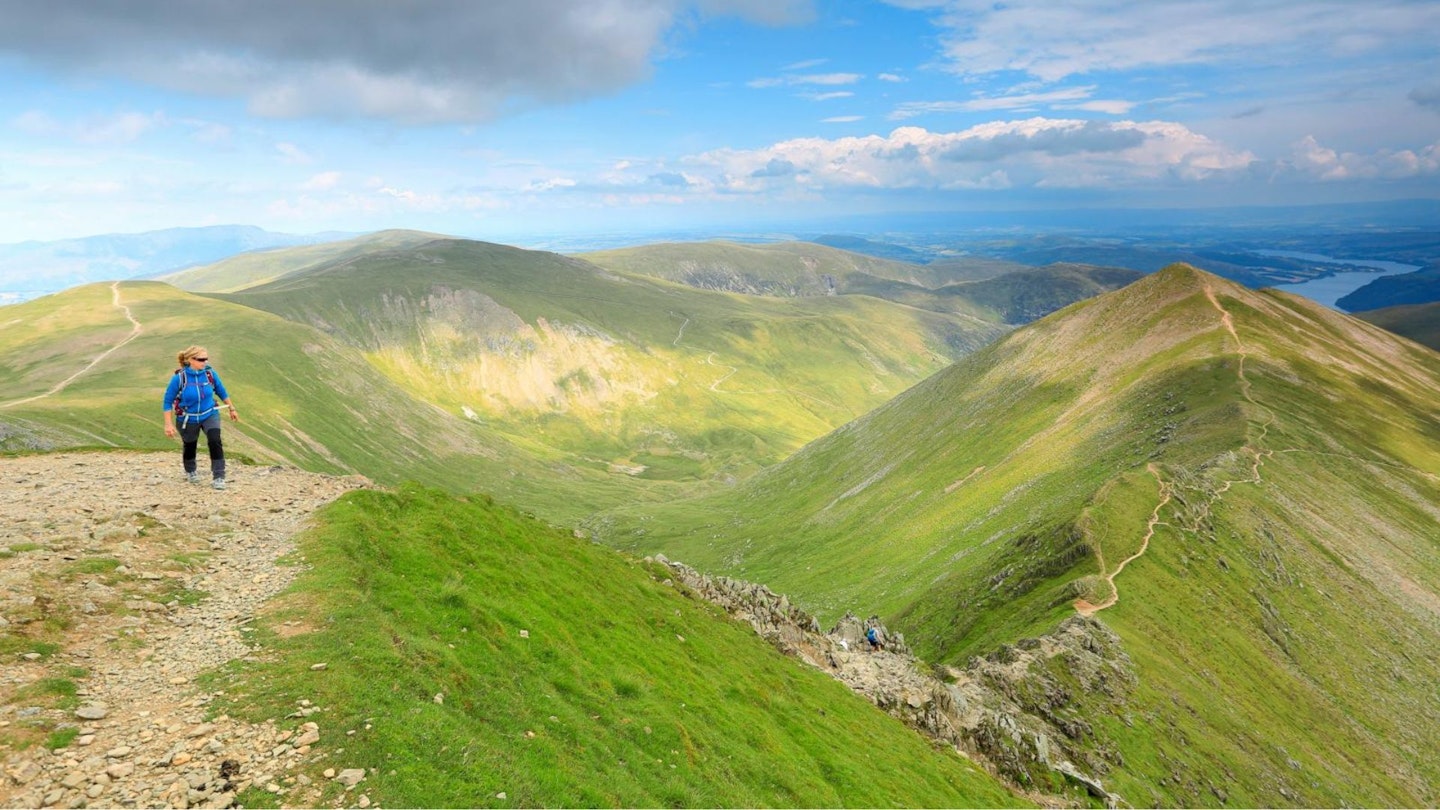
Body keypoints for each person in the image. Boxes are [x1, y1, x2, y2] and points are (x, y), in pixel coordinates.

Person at [163, 346, 238, 490]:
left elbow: (221, 391)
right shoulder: (179, 378)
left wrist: (231, 408)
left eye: (206, 358)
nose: (205, 362)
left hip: (209, 414)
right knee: (190, 445)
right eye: (201, 359)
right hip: (188, 418)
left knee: (215, 440)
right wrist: (168, 424)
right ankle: (190, 471)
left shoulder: (210, 374)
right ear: (190, 360)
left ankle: (219, 477)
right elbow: (167, 401)